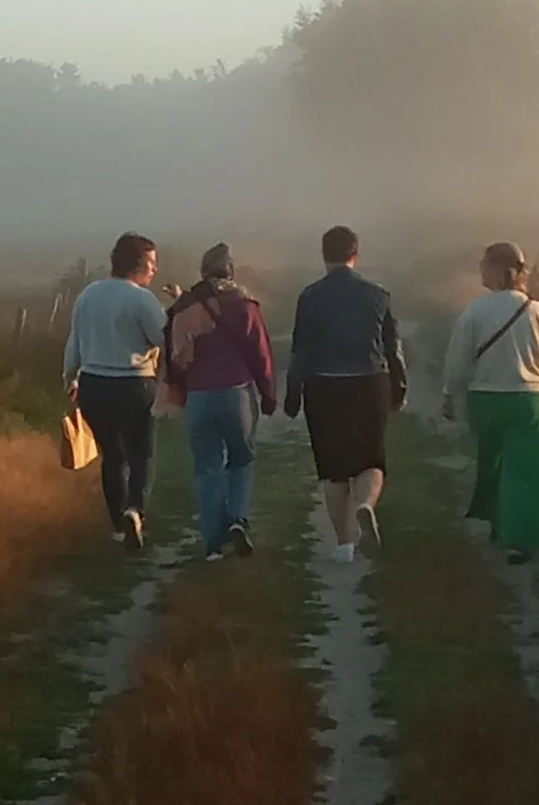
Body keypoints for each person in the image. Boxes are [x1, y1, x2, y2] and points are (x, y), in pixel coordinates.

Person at [284, 224, 406, 561]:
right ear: (356, 254)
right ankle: (366, 504)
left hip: (324, 384)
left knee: (333, 468)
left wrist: (293, 395)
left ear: (324, 256)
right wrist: (399, 386)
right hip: (370, 381)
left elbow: (301, 350)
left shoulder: (309, 296)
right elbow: (392, 348)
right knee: (371, 459)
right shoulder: (378, 294)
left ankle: (343, 543)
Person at [441, 241, 539, 558]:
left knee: (492, 460)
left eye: (484, 265)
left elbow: (459, 358)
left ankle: (497, 523)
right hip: (528, 399)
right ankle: (520, 540)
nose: (481, 270)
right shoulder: (536, 311)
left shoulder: (475, 310)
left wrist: (450, 394)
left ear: (495, 270)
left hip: (485, 399)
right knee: (524, 468)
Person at [162, 240, 277, 561]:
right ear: (231, 270)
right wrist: (268, 396)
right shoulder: (246, 304)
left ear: (202, 270)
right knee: (240, 461)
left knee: (207, 469)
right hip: (237, 394)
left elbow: (175, 359)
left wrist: (178, 393)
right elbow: (261, 353)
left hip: (199, 398)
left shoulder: (184, 307)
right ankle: (238, 521)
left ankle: (213, 544)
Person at [64, 232, 167, 546]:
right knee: (142, 455)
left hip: (94, 385)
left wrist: (70, 377)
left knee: (112, 456)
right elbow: (165, 339)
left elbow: (75, 341)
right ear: (138, 264)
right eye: (151, 263)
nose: (155, 270)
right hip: (135, 383)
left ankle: (117, 526)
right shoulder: (142, 299)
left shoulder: (88, 295)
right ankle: (135, 510)